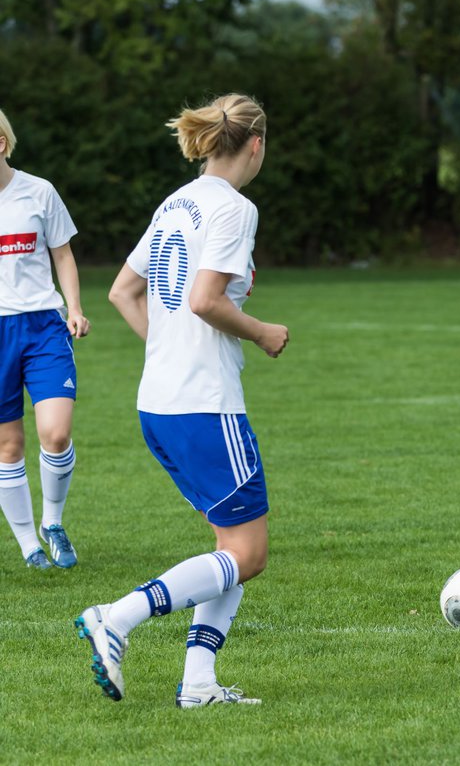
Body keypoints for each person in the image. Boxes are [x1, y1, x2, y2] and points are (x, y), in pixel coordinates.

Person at [77, 93, 289, 708]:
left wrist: (167, 348)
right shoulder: (234, 207)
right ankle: (115, 617)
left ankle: (198, 683)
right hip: (204, 403)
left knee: (229, 546)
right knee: (247, 555)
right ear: (256, 144)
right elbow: (204, 301)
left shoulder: (176, 203)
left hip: (161, 402)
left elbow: (123, 290)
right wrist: (263, 331)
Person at [0, 106, 90, 571]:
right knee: (7, 446)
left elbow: (63, 254)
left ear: (1, 143)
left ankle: (52, 523)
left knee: (55, 432)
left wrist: (73, 308)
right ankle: (28, 546)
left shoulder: (39, 192)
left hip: (43, 325)